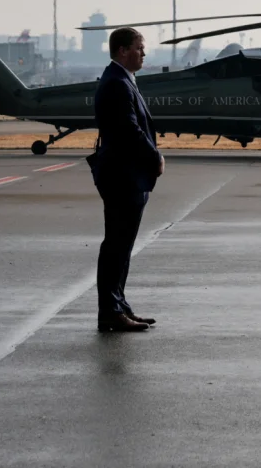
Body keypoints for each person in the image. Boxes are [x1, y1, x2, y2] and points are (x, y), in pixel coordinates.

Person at [90, 27, 163, 332]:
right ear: (123, 50)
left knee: (122, 245)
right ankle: (110, 310)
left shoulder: (122, 81)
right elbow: (129, 131)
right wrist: (154, 157)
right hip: (123, 176)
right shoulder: (118, 84)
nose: (143, 53)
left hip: (127, 175)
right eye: (139, 48)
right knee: (117, 246)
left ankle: (118, 305)